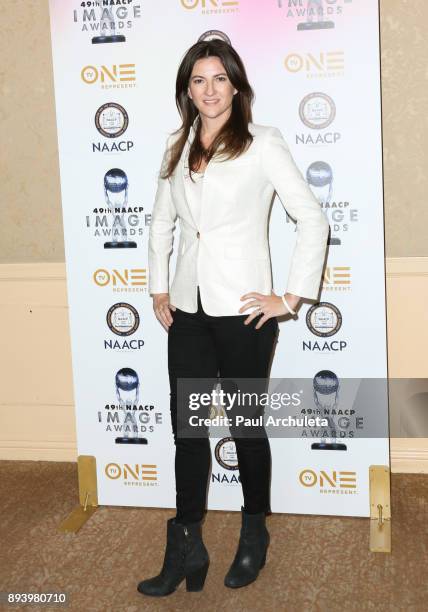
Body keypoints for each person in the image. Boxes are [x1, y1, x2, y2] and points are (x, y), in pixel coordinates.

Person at [137, 39, 330, 597]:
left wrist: (291, 299)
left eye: (219, 78)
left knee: (247, 428)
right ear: (187, 89)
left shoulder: (262, 143)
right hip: (189, 312)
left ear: (237, 84)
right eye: (198, 80)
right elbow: (161, 223)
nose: (210, 90)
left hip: (245, 315)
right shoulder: (177, 144)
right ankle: (186, 544)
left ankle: (253, 534)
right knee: (188, 433)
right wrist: (157, 288)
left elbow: (310, 218)